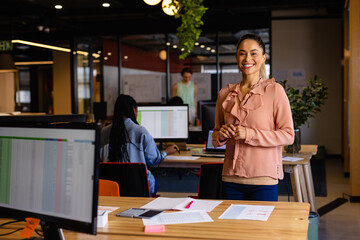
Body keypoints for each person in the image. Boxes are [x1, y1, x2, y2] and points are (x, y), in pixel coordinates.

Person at [212, 33, 294, 201]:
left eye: (253, 53)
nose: (247, 58)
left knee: (261, 228)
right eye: (242, 53)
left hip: (263, 180)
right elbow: (215, 136)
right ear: (237, 57)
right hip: (230, 178)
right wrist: (221, 134)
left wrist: (249, 134)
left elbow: (288, 135)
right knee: (231, 228)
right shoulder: (225, 93)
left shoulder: (275, 91)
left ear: (263, 57)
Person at [108, 94, 179, 197]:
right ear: (133, 110)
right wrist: (166, 152)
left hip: (112, 189)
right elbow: (153, 160)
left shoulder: (104, 132)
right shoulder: (141, 132)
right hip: (139, 188)